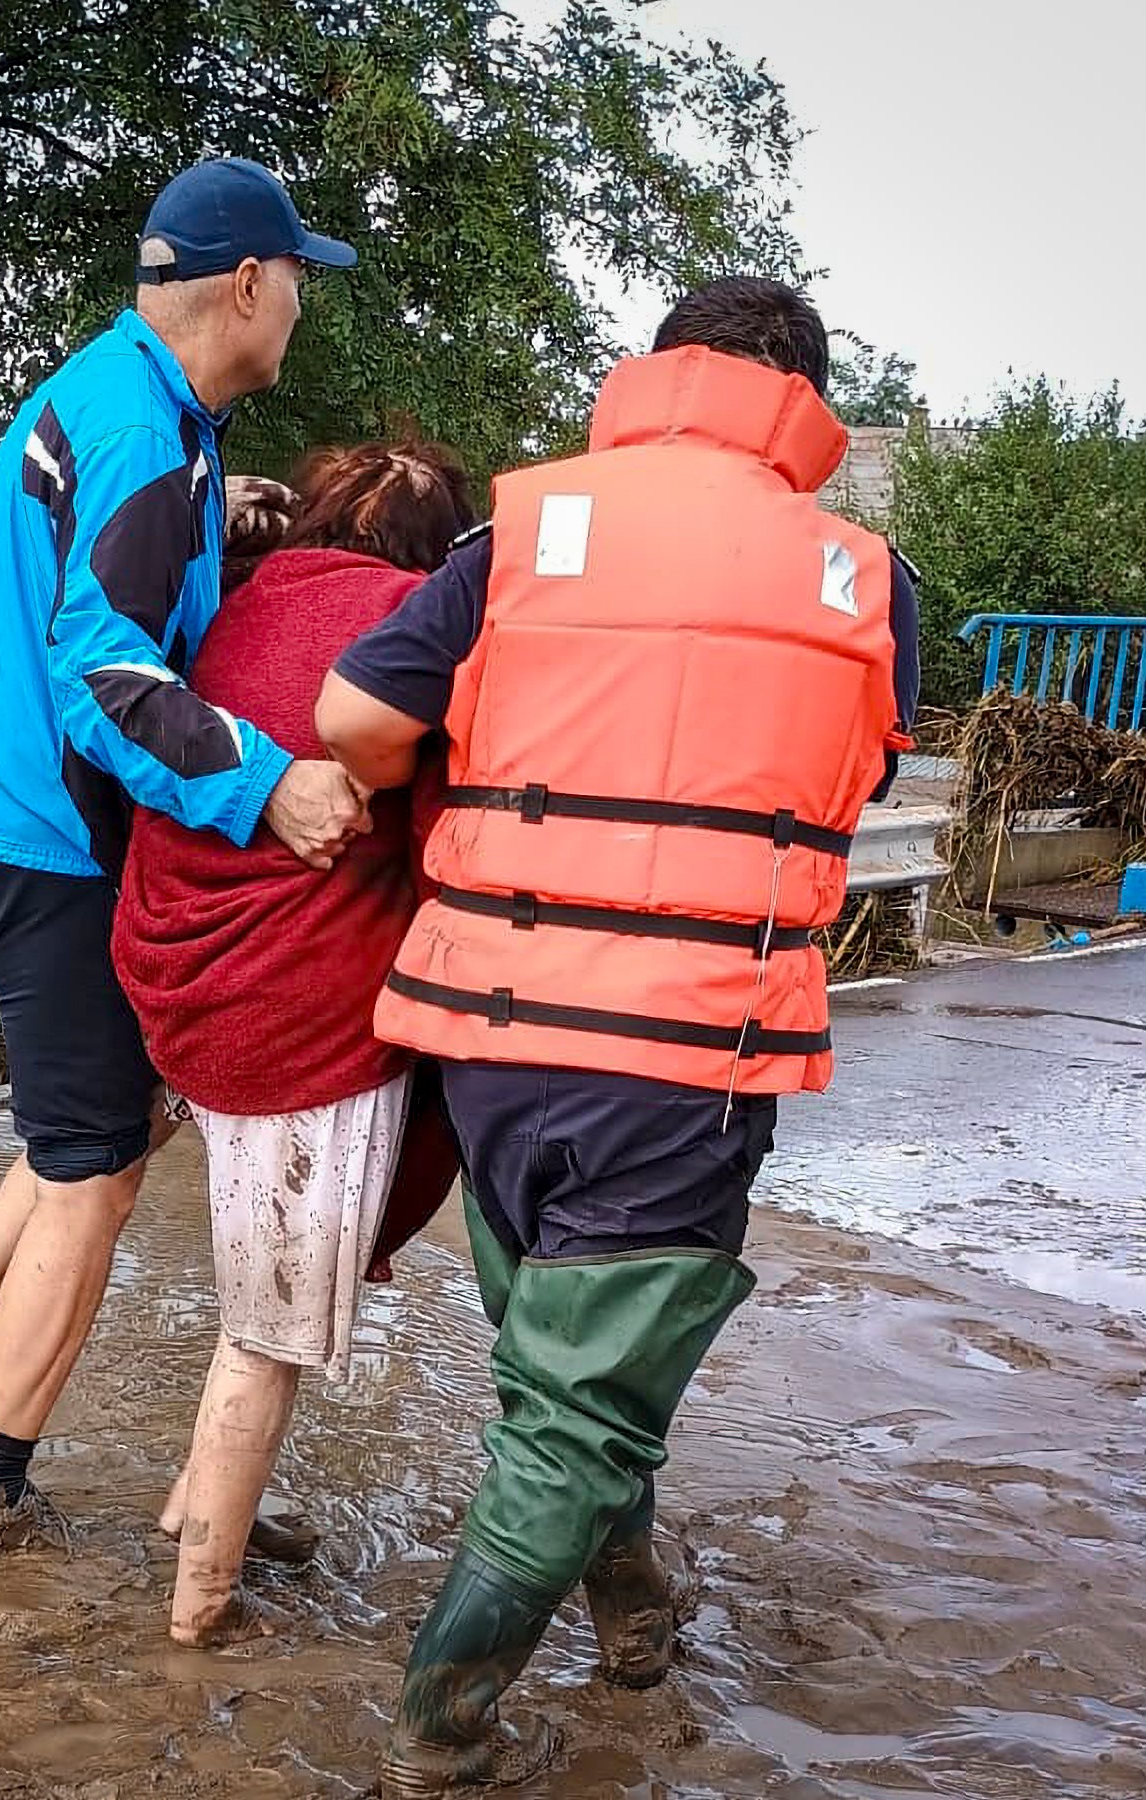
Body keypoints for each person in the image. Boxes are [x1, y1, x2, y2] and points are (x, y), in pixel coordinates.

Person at [316, 277, 918, 1794]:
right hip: (688, 1049)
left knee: (564, 1361)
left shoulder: (518, 529)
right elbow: (866, 778)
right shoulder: (864, 576)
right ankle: (440, 1729)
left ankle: (632, 1609)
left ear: (658, 373)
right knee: (581, 1399)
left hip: (493, 1035)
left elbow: (353, 724)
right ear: (804, 405)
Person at [0, 158, 369, 1553]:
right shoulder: (146, 436)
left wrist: (225, 512)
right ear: (248, 285)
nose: (302, 306)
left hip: (4, 823)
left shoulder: (133, 402)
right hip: (51, 847)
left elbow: (113, 563)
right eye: (297, 280)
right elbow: (105, 677)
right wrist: (268, 788)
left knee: (112, 1112)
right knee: (95, 1165)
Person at [110, 441, 476, 1645]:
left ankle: (200, 1508)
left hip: (168, 985)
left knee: (238, 1286)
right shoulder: (415, 636)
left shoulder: (234, 600)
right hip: (290, 1022)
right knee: (265, 1337)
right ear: (440, 554)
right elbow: (445, 850)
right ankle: (199, 1608)